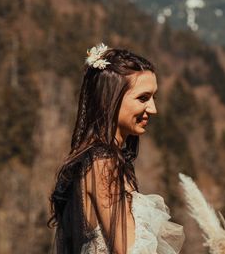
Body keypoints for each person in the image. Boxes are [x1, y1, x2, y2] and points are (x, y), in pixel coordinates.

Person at [49, 44, 184, 254]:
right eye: (143, 98)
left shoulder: (102, 160)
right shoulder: (102, 162)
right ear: (109, 99)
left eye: (153, 98)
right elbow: (129, 250)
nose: (153, 109)